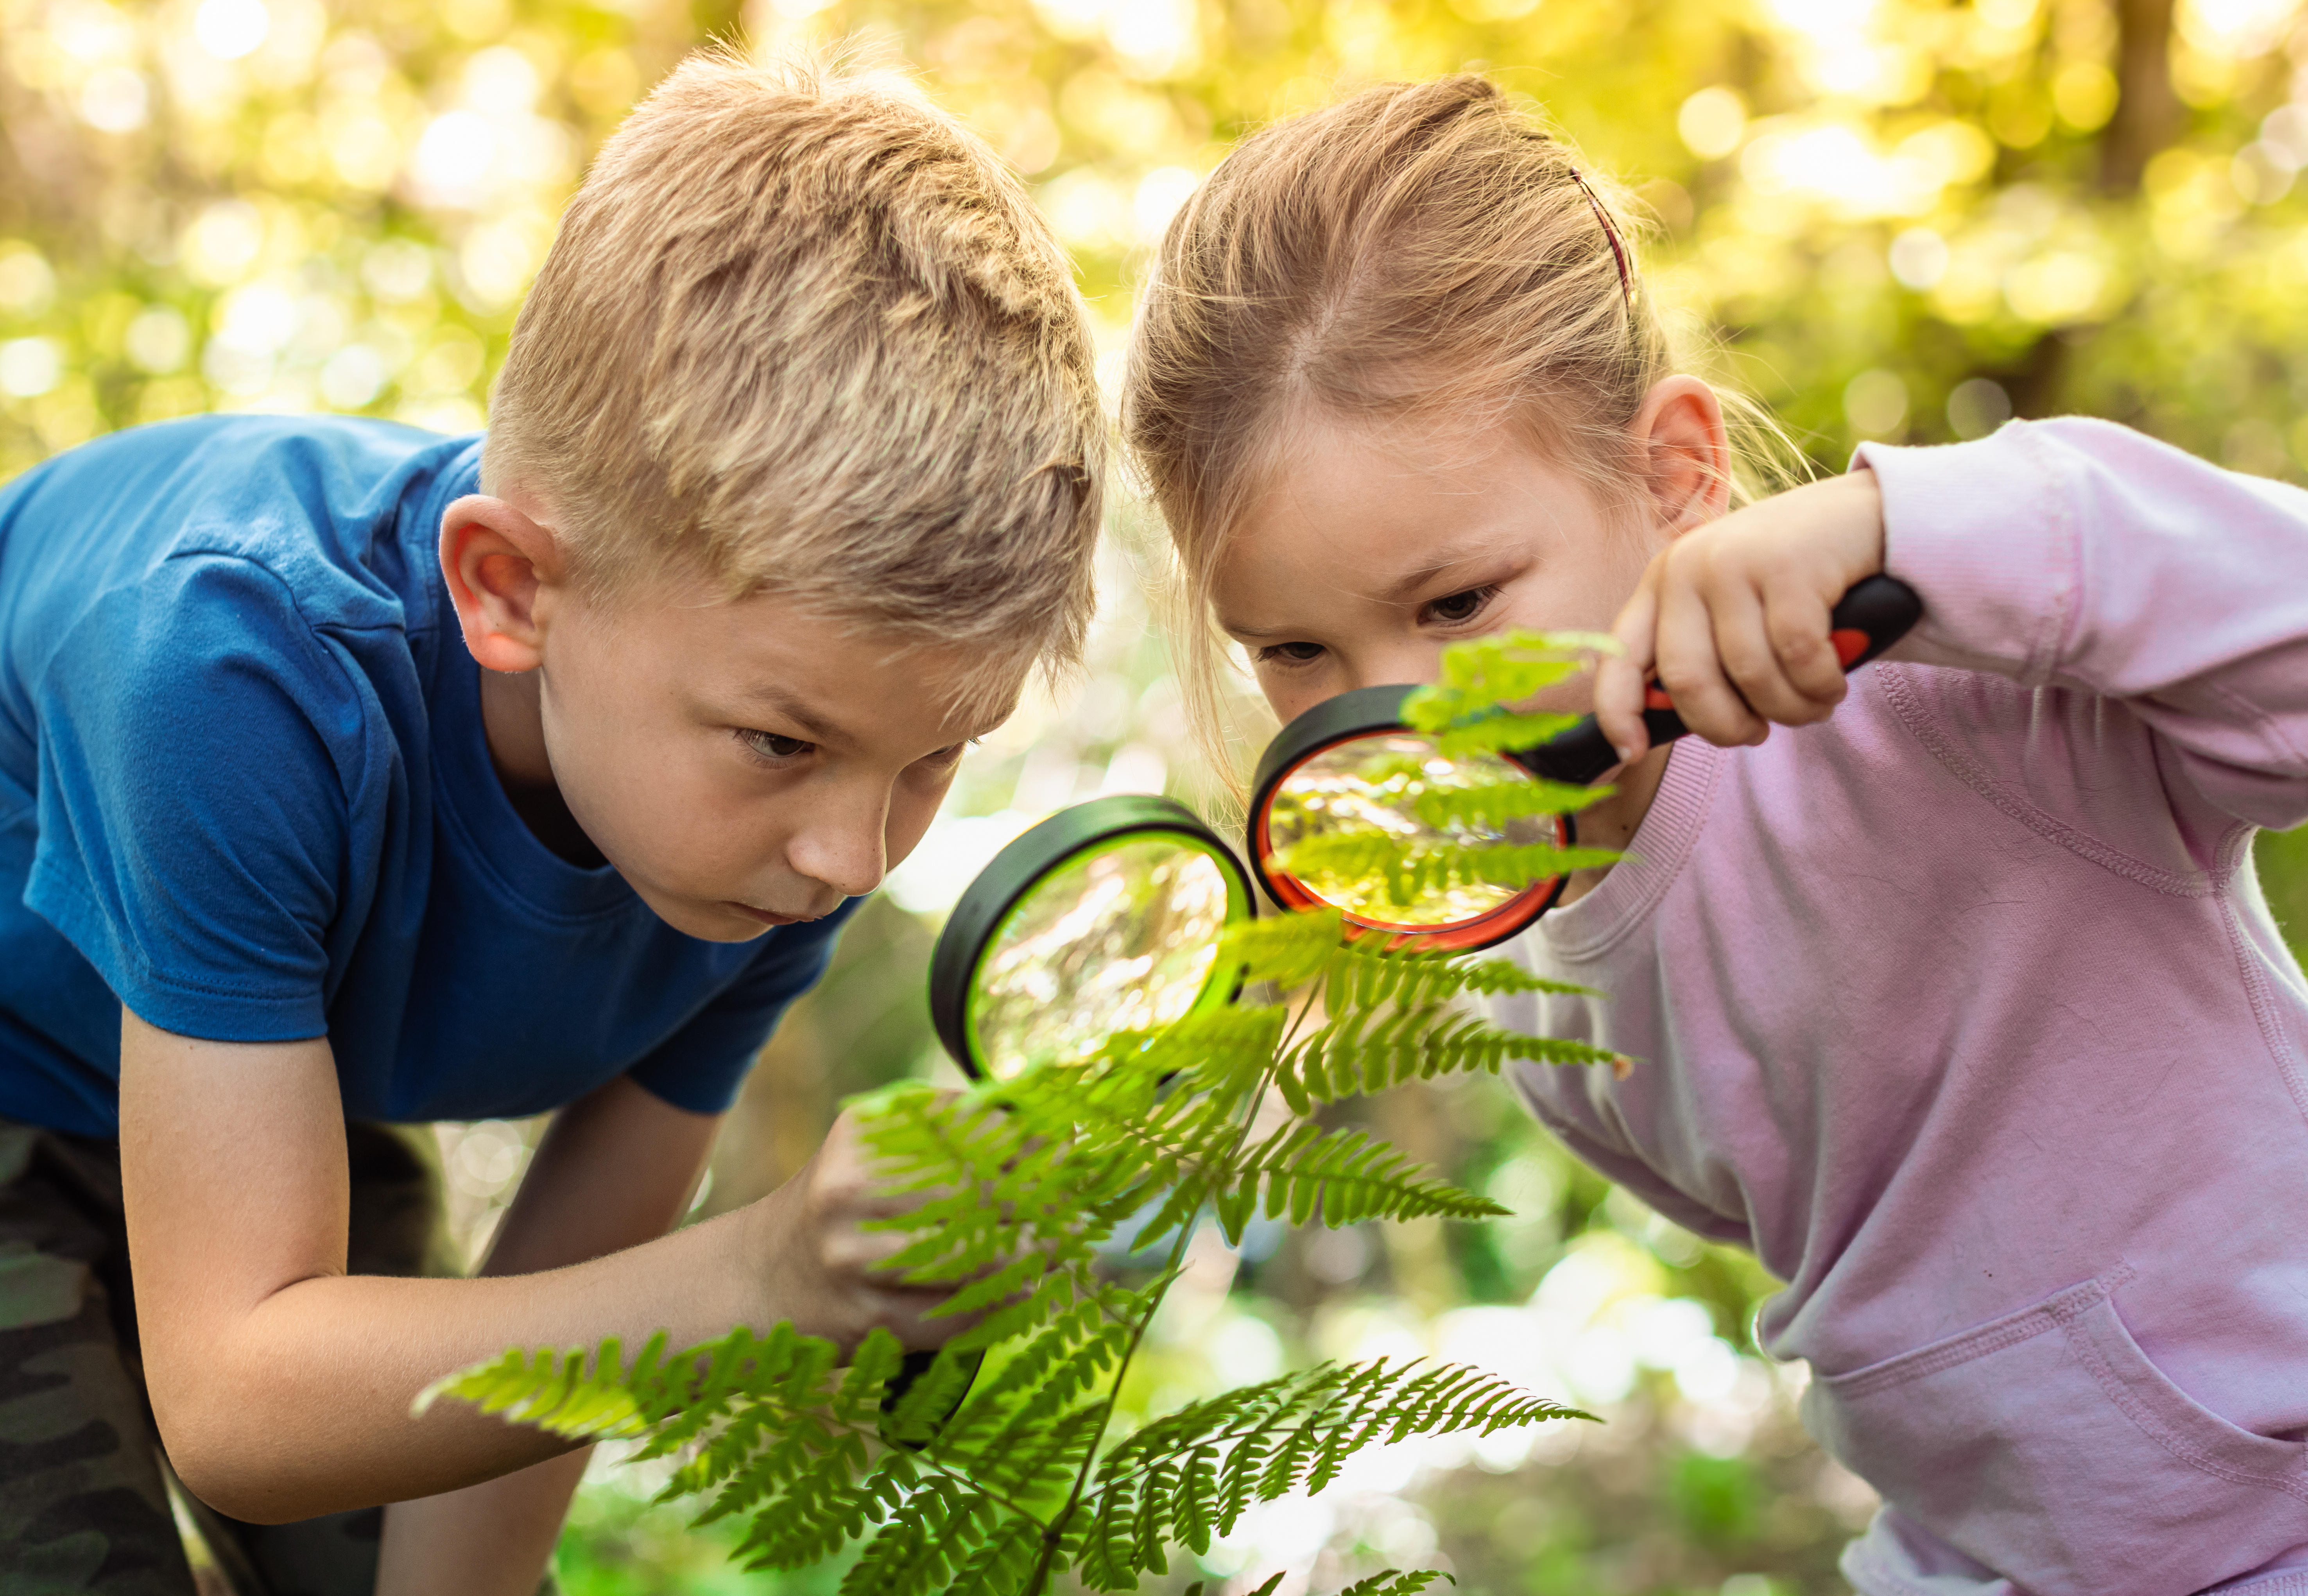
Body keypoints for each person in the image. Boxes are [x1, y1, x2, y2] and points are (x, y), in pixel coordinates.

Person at [1122, 73, 2308, 1596]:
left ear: (1673, 476)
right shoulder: (1525, 992)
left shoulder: (1945, 686)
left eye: (1457, 604)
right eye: (1294, 651)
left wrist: (1921, 532)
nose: (1399, 712)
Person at [0, 43, 1103, 1596]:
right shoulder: (232, 675)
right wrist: (768, 1269)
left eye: (938, 757)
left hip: (269, 1109)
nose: (855, 858)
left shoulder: (776, 827)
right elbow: (241, 1398)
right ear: (507, 589)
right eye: (784, 741)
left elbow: (564, 1333)